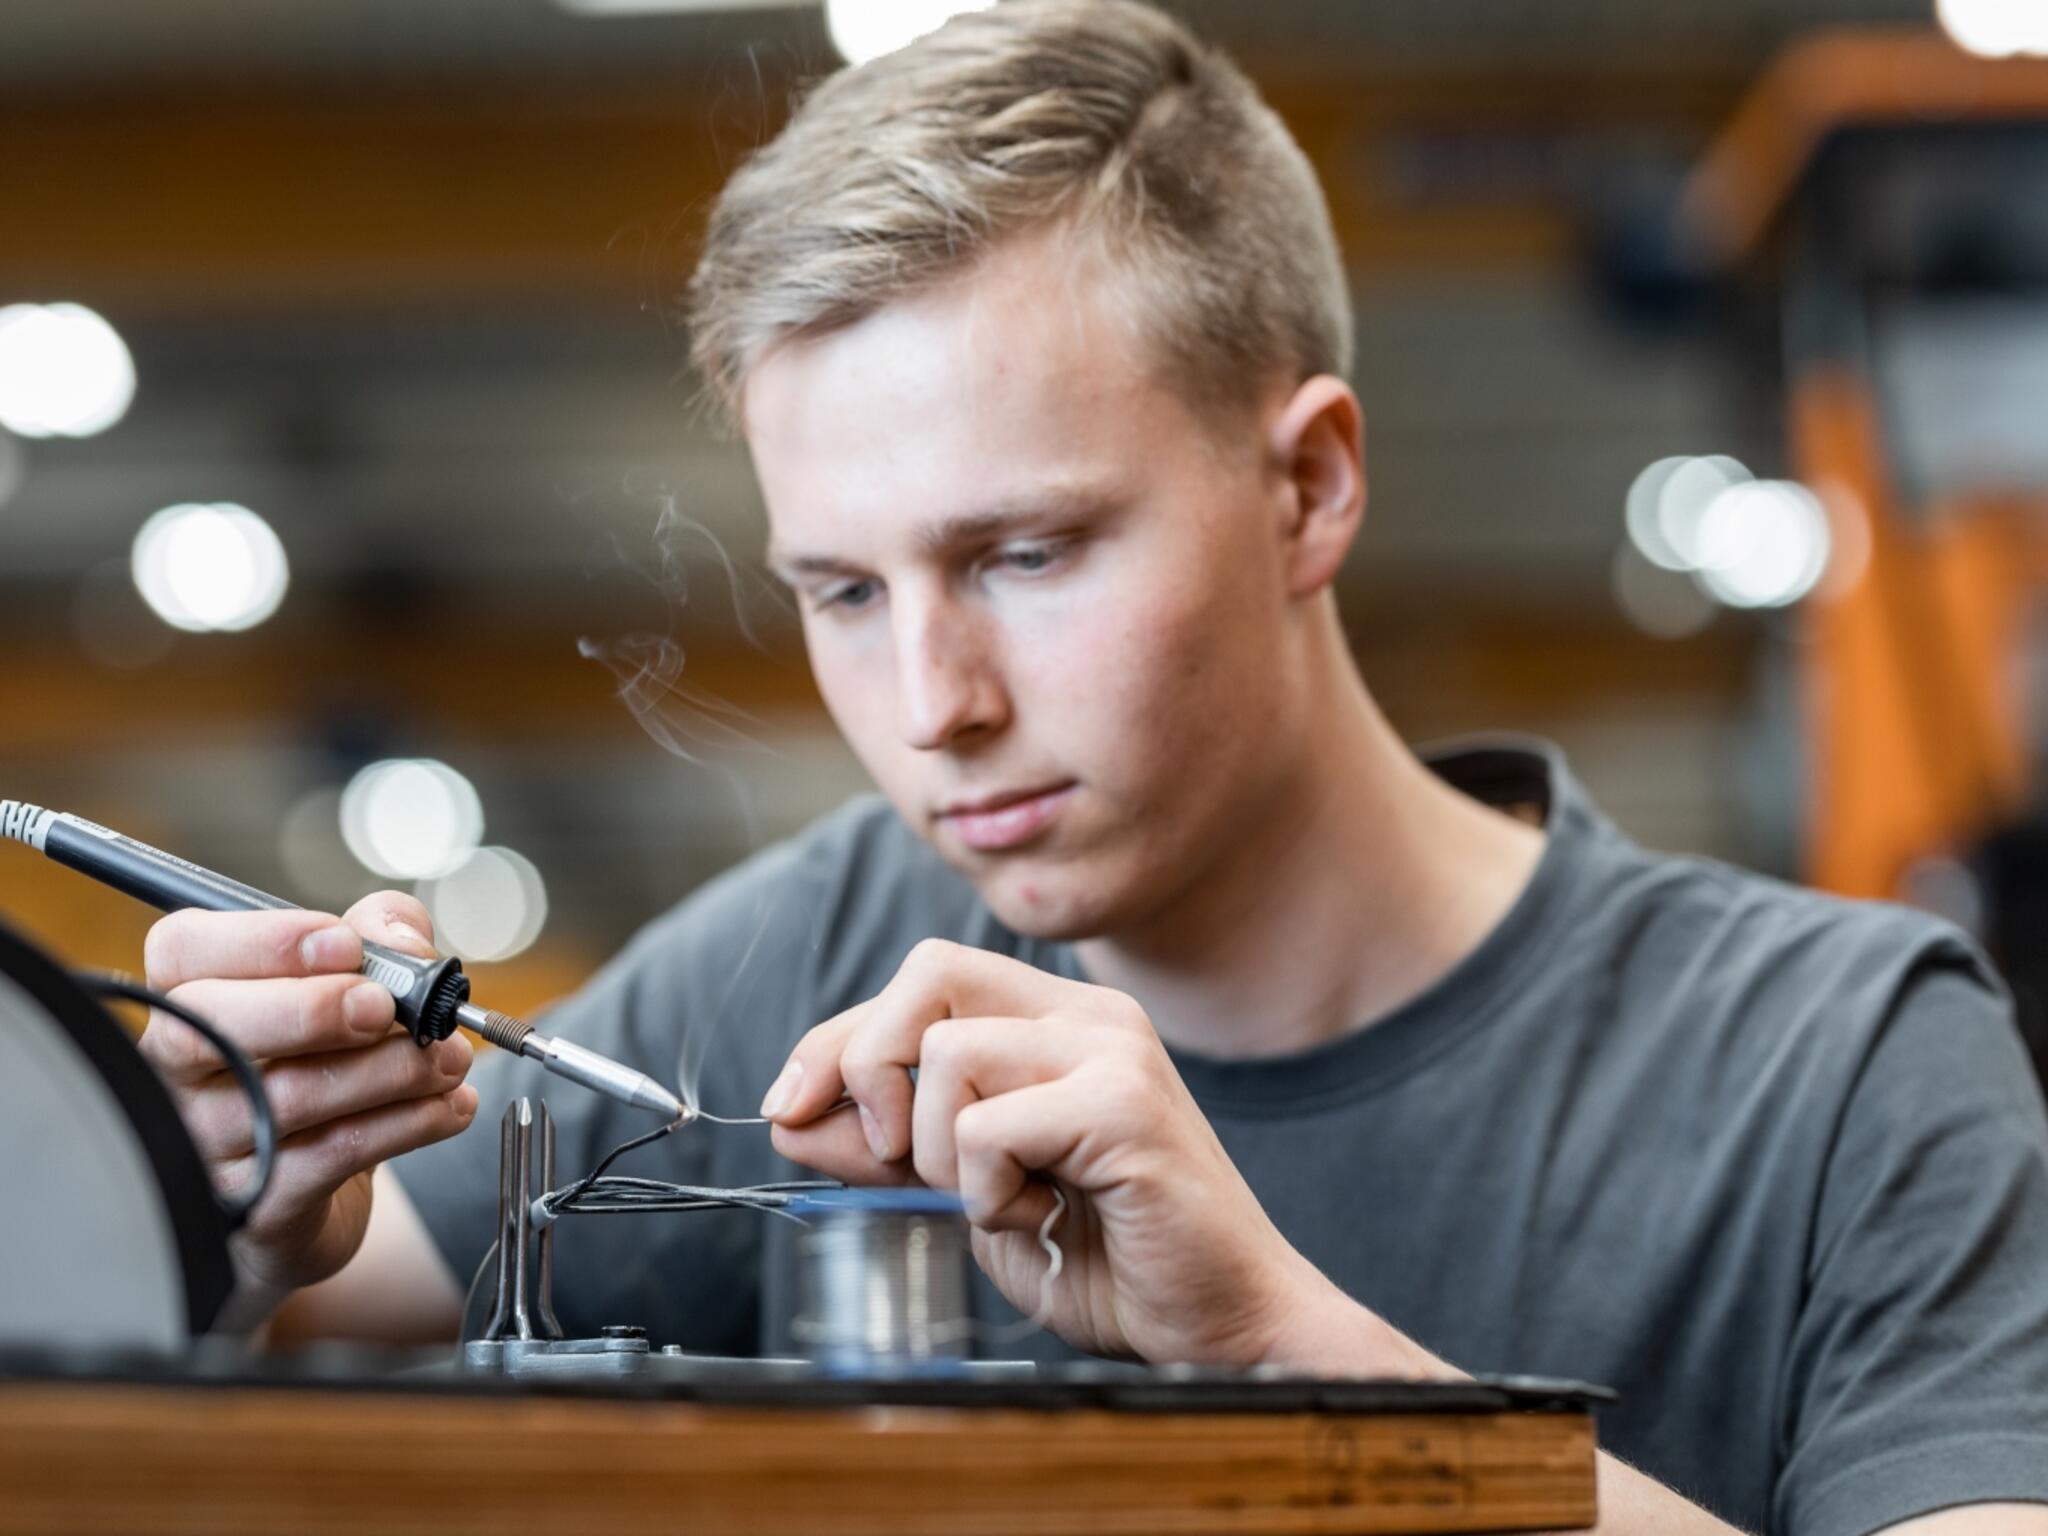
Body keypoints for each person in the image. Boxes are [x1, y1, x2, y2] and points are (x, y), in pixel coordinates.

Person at [137, 3, 2048, 1532]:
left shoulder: (1842, 1061)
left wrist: (1280, 1345)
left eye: (1025, 555)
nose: (931, 701)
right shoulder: (825, 962)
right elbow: (331, 1300)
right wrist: (256, 1180)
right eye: (841, 591)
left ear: (1306, 486)